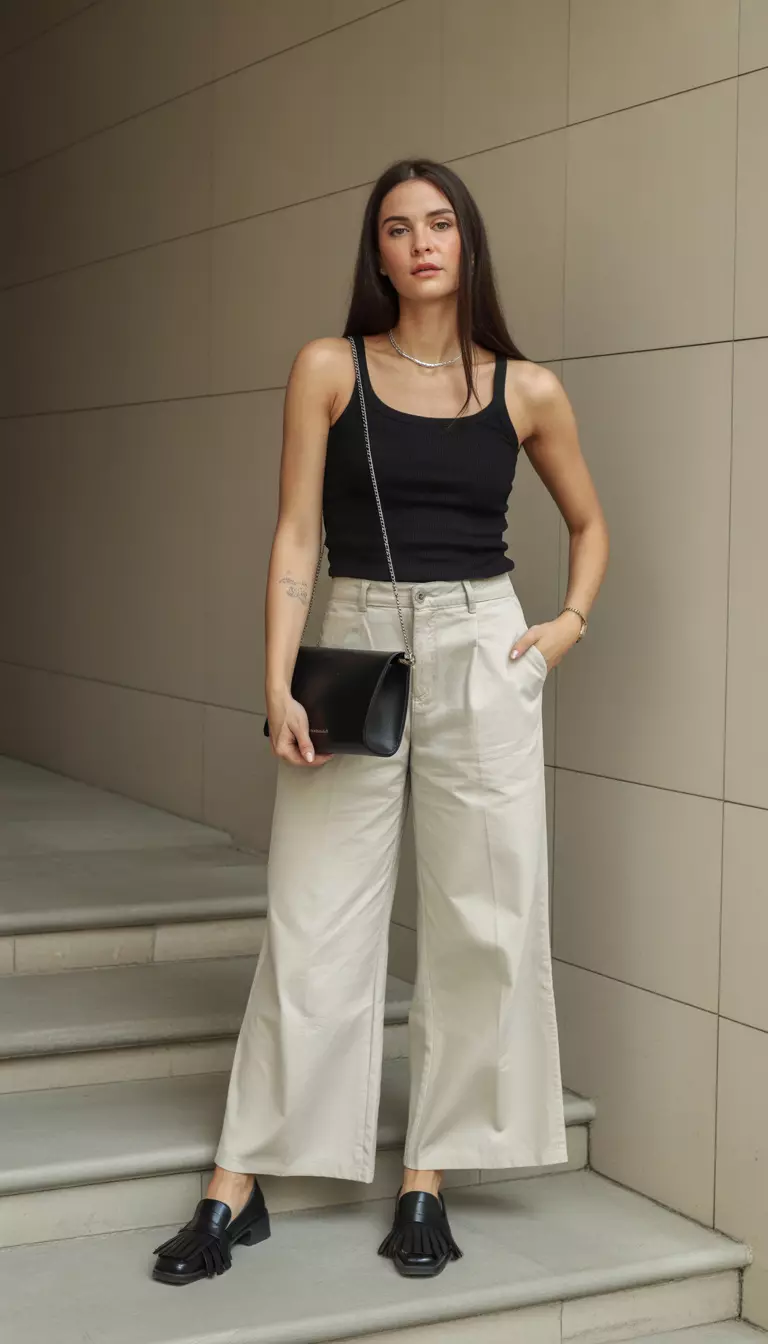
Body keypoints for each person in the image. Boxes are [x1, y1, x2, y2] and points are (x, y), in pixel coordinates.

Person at [152, 157, 609, 1287]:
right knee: (312, 914)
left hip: (481, 641)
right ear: (379, 251)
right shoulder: (327, 368)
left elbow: (592, 526)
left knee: (482, 919)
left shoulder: (527, 389)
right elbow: (296, 535)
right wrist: (275, 683)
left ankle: (429, 1176)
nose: (421, 243)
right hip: (350, 642)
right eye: (399, 228)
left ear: (467, 242)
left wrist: (563, 628)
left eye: (440, 223)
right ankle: (239, 1176)